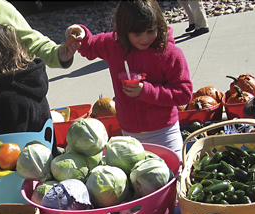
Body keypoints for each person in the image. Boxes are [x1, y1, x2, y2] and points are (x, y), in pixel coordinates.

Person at [64, 0, 193, 156]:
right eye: (137, 33)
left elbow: (184, 93)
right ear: (124, 31)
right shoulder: (113, 45)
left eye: (150, 31)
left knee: (174, 171)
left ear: (159, 25)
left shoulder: (170, 54)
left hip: (164, 132)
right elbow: (91, 46)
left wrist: (146, 91)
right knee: (139, 176)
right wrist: (82, 35)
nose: (145, 38)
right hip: (129, 133)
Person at [0, 0, 75, 140]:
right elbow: (6, 110)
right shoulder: (20, 85)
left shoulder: (9, 95)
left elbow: (10, 142)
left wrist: (57, 53)